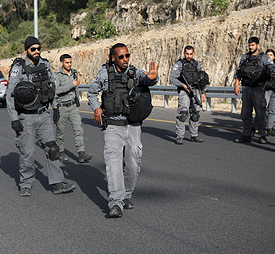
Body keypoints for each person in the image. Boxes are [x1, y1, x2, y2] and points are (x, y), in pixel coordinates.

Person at [88, 43, 159, 218]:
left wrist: (152, 78)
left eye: (127, 56)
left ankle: (126, 195)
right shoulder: (104, 74)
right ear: (114, 58)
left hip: (133, 125)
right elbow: (91, 92)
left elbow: (148, 79)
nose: (125, 59)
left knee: (133, 164)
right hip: (113, 126)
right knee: (113, 164)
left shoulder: (135, 72)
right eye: (121, 57)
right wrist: (96, 108)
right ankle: (115, 202)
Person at [6, 36, 77, 197]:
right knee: (28, 153)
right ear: (27, 50)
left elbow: (52, 85)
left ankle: (57, 183)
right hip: (26, 117)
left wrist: (56, 106)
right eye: (33, 49)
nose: (37, 51)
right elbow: (10, 95)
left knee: (53, 149)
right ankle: (26, 183)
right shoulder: (19, 67)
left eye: (39, 48)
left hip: (44, 114)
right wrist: (14, 119)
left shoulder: (45, 64)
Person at [233, 37, 275, 144]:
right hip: (246, 88)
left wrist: (273, 77)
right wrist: (236, 85)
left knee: (260, 113)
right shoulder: (245, 57)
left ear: (258, 45)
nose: (250, 47)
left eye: (253, 45)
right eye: (249, 45)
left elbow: (272, 69)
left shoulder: (264, 58)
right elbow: (239, 71)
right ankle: (246, 134)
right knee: (245, 113)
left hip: (259, 89)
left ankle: (262, 135)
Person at [53, 54, 92, 163]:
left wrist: (77, 100)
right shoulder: (57, 75)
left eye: (70, 62)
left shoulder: (73, 72)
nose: (69, 64)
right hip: (62, 107)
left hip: (73, 106)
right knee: (60, 132)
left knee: (79, 130)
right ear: (62, 63)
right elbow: (56, 90)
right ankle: (60, 152)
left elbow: (76, 87)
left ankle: (81, 153)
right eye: (67, 62)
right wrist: (72, 84)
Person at [169, 45, 208, 145]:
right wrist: (183, 85)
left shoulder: (196, 64)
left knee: (195, 114)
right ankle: (179, 136)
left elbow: (202, 79)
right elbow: (172, 78)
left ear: (193, 54)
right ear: (184, 53)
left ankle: (194, 135)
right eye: (187, 54)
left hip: (195, 90)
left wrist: (202, 92)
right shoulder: (180, 64)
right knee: (183, 113)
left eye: (191, 54)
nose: (189, 56)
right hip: (184, 91)